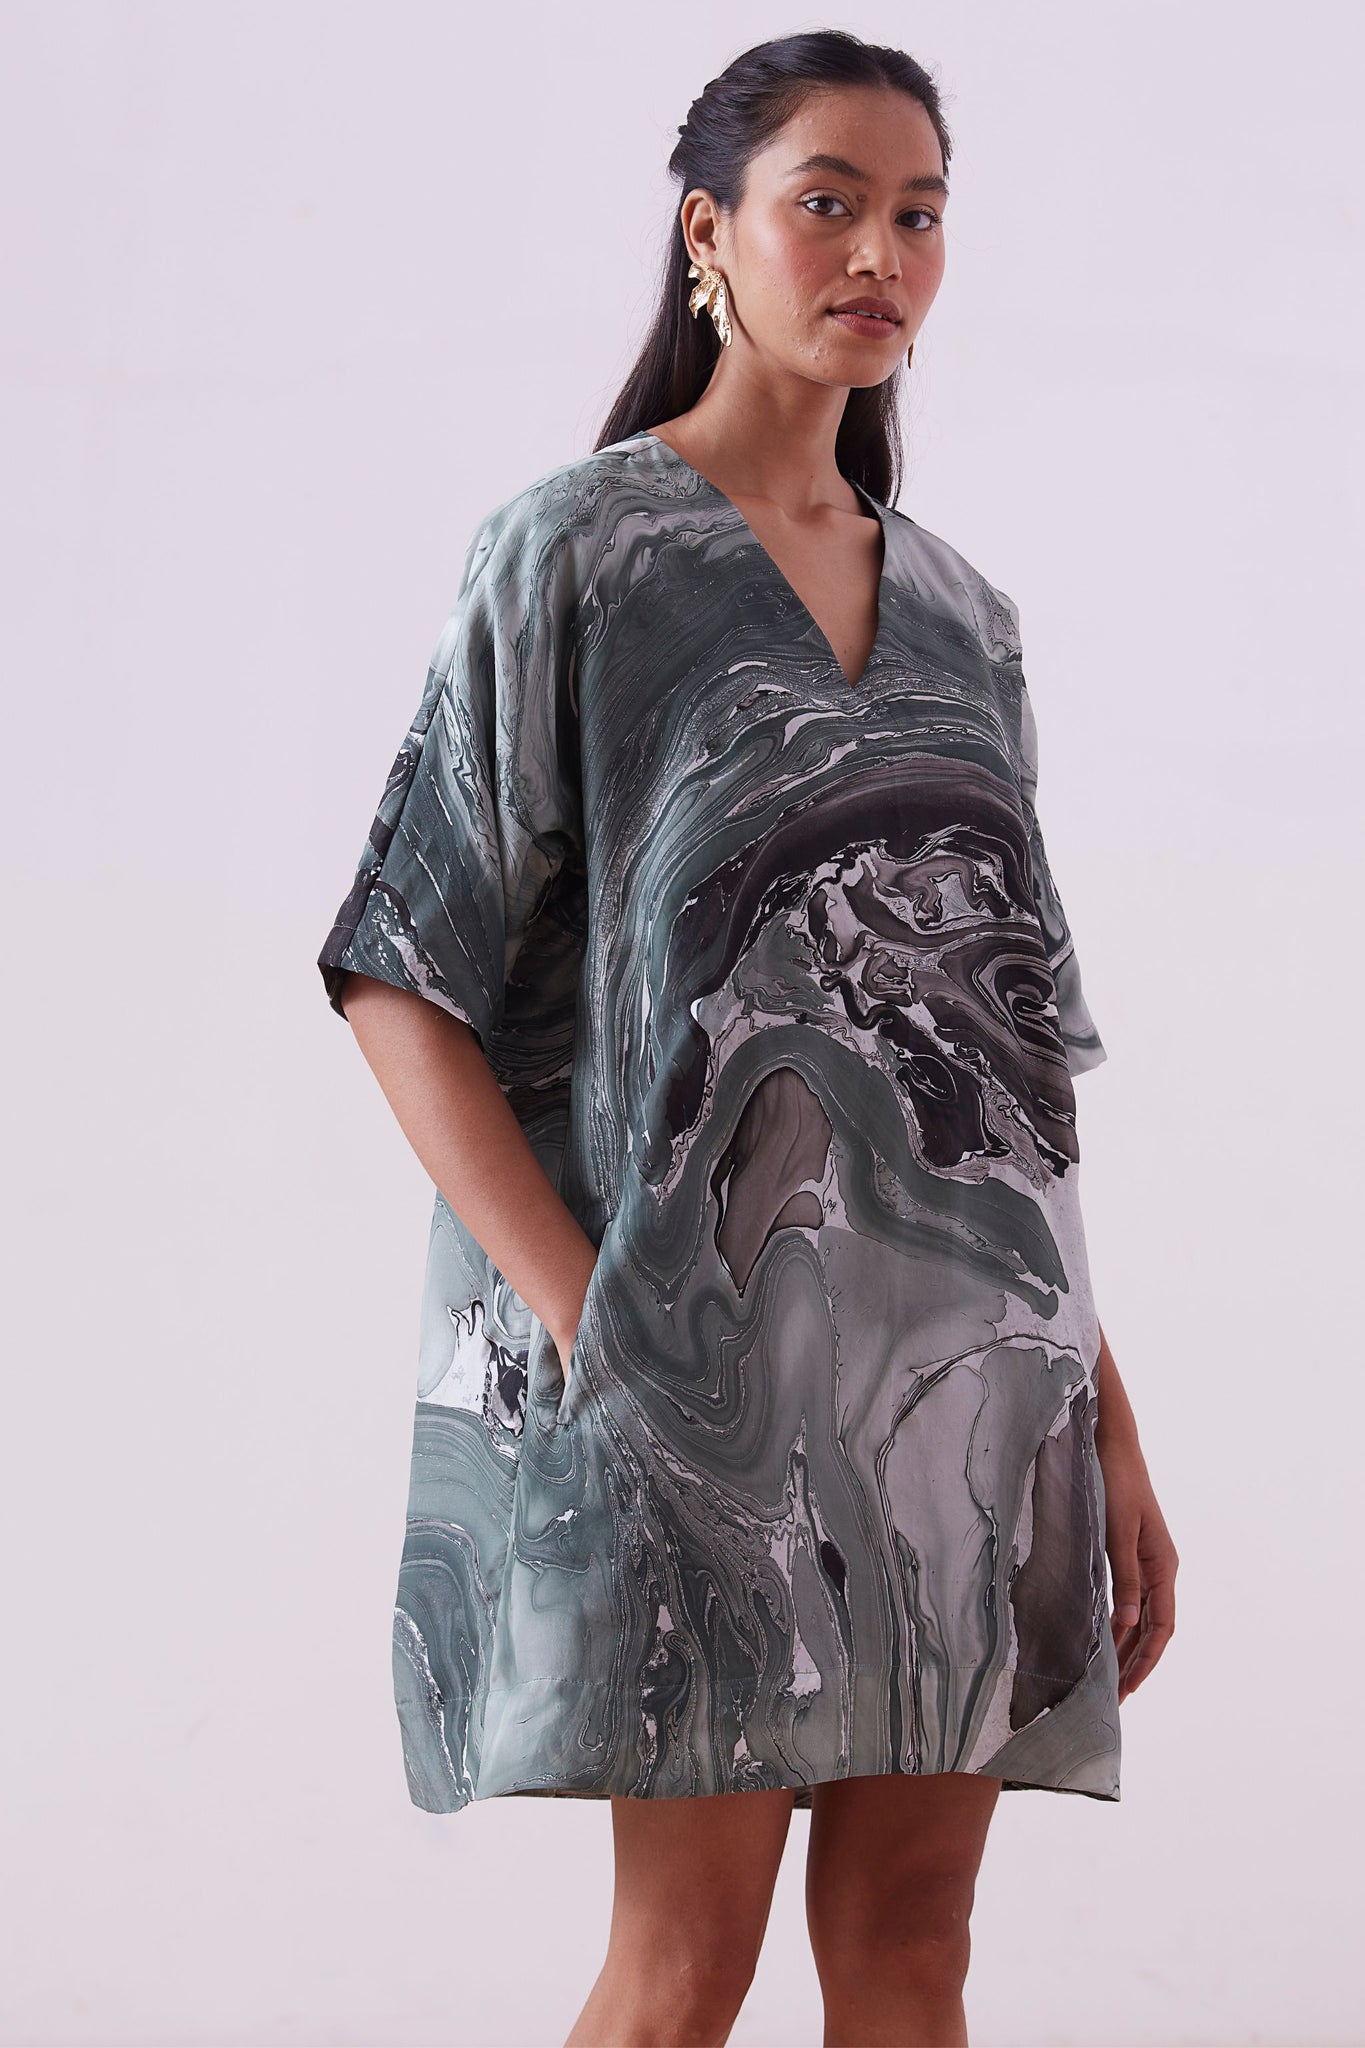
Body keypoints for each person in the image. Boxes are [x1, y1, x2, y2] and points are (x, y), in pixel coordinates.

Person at [316, 29, 1178, 2048]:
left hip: (970, 1396)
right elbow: (401, 975)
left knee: (911, 1953)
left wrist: (1105, 1414)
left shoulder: (964, 617)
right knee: (680, 1970)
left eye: (918, 214)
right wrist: (596, 1324)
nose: (880, 252)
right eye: (828, 203)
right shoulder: (578, 554)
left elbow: (997, 1081)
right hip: (686, 1391)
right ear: (707, 232)